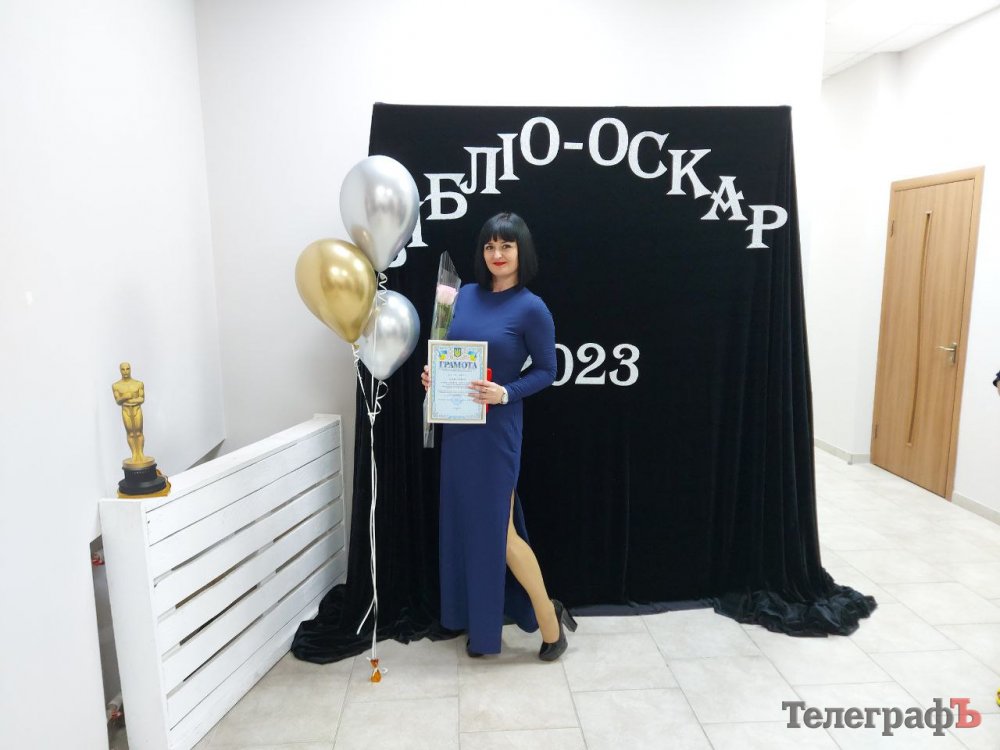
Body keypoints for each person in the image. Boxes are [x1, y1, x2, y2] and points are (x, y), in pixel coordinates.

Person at [421, 211, 576, 660]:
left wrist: (505, 392)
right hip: (459, 428)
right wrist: (434, 377)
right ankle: (482, 626)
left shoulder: (531, 307)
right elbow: (447, 352)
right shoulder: (461, 295)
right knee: (469, 528)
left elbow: (547, 370)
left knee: (499, 534)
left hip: (496, 431)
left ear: (521, 251)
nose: (497, 254)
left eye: (506, 245)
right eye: (490, 246)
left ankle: (550, 623)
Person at [112, 362, 151, 467]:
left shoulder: (138, 384)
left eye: (127, 369)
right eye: (123, 369)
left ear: (130, 369)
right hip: (126, 411)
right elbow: (118, 400)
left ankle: (140, 454)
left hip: (136, 409)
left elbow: (141, 398)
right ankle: (134, 454)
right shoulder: (116, 385)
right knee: (130, 433)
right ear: (120, 370)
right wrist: (126, 396)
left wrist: (129, 400)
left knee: (138, 432)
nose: (125, 371)